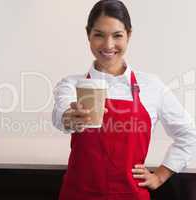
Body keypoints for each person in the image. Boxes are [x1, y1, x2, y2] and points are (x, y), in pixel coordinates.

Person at [52, 0, 196, 199]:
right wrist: (70, 118)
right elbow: (61, 115)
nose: (108, 45)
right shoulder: (71, 84)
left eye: (117, 35)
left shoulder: (151, 86)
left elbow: (189, 134)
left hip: (131, 194)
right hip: (79, 193)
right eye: (99, 35)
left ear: (128, 35)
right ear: (88, 35)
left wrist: (160, 176)